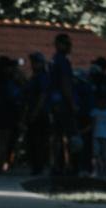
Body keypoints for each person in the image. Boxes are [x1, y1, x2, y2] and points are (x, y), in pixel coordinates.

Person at [48, 33, 76, 175]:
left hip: (54, 103)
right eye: (67, 44)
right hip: (63, 104)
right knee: (67, 136)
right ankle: (66, 165)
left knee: (57, 136)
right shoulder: (63, 62)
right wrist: (72, 103)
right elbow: (66, 84)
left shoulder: (53, 61)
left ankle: (56, 164)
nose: (70, 47)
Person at [24, 52, 51, 175]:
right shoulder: (34, 77)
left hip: (40, 113)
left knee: (39, 141)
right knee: (32, 141)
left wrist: (35, 112)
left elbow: (43, 95)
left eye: (36, 62)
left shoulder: (43, 77)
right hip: (32, 111)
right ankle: (35, 165)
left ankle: (39, 166)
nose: (33, 64)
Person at [88, 92, 106, 178]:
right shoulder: (94, 111)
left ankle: (104, 172)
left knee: (105, 155)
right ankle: (97, 171)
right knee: (96, 154)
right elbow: (92, 124)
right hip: (96, 135)